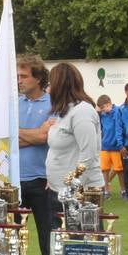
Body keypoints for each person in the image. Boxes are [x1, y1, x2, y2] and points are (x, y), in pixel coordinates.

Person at [16, 54, 57, 255]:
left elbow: (46, 137)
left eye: (24, 76)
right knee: (12, 238)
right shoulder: (14, 104)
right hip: (14, 181)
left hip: (42, 179)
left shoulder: (53, 104)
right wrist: (35, 134)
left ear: (38, 78)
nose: (19, 80)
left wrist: (18, 135)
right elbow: (4, 140)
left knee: (47, 235)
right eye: (18, 76)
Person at [44, 63, 102, 199]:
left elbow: (88, 155)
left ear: (60, 86)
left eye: (50, 84)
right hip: (58, 189)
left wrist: (72, 191)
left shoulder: (82, 112)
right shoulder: (65, 111)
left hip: (77, 194)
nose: (48, 90)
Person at [96, 94, 124, 196]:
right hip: (104, 146)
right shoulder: (102, 115)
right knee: (104, 169)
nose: (103, 110)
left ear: (109, 104)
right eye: (101, 108)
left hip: (116, 146)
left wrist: (120, 144)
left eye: (104, 107)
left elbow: (118, 128)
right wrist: (98, 112)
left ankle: (123, 190)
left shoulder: (117, 112)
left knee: (119, 169)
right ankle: (107, 190)